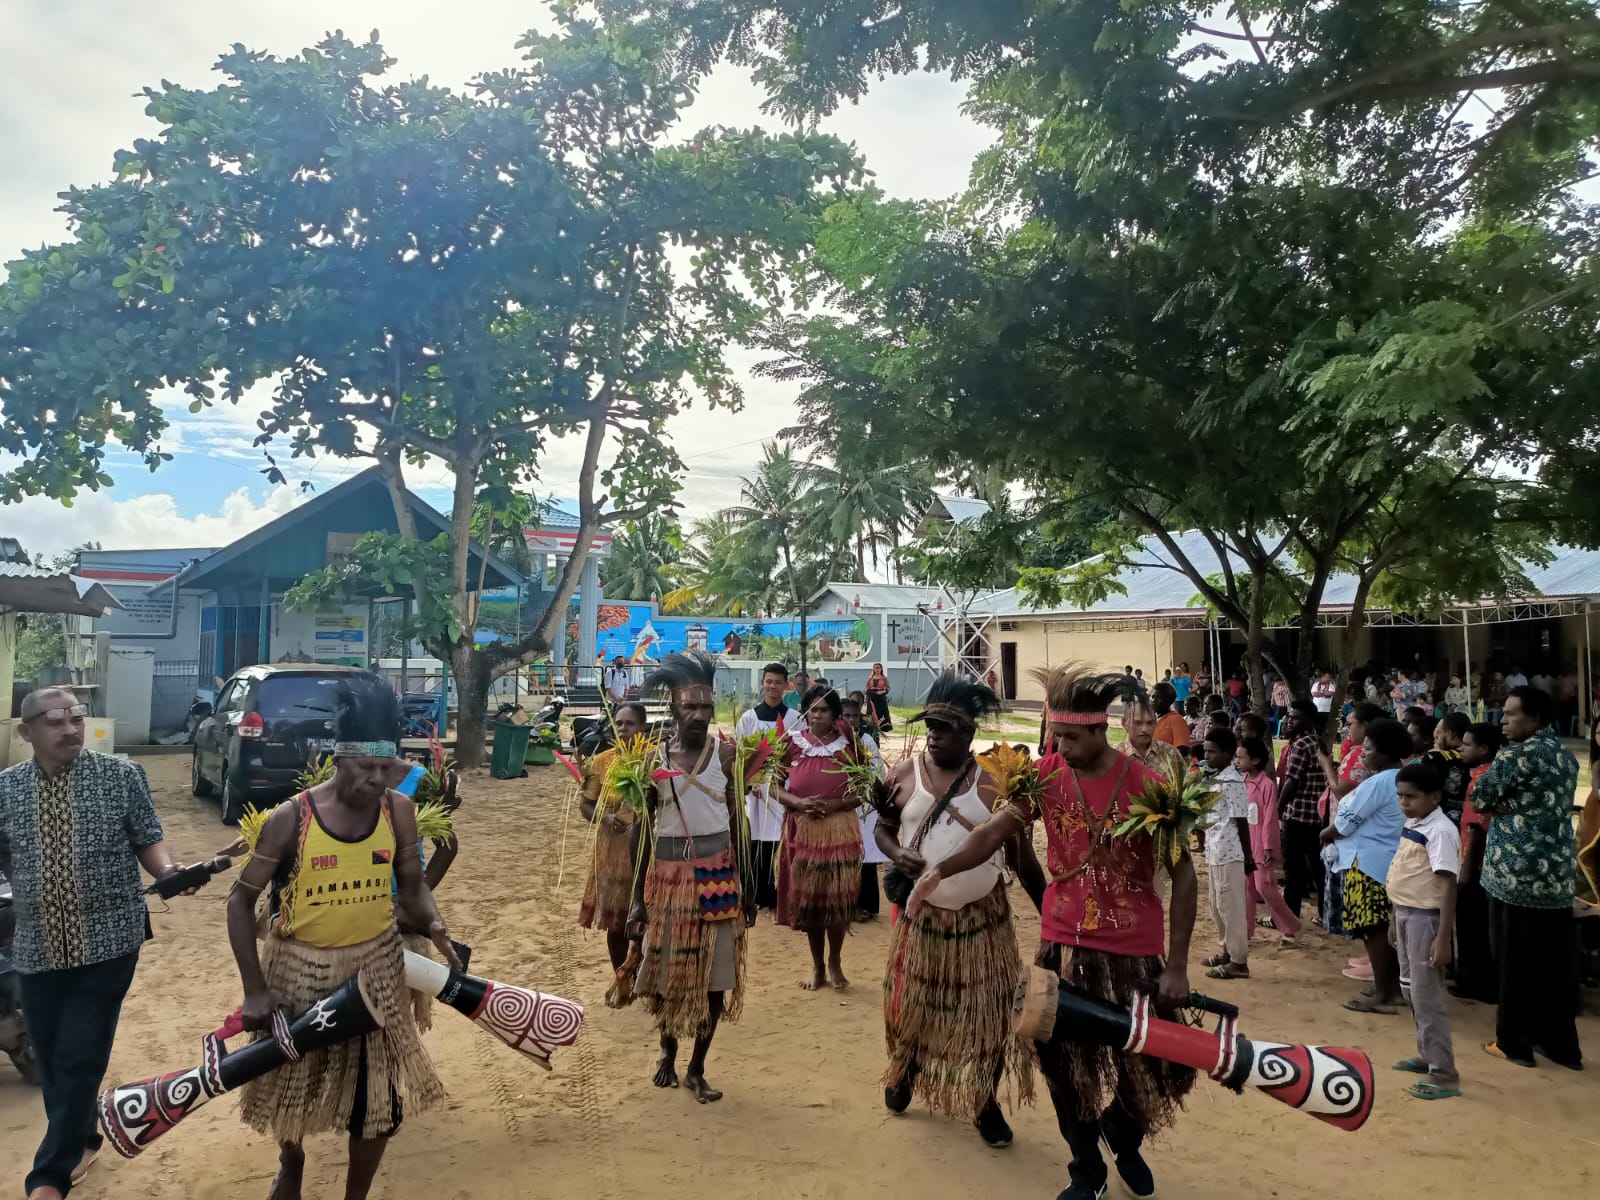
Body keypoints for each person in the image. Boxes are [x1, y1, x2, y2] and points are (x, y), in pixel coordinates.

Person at [913, 663, 1196, 1200]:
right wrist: (939, 871)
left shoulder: (1151, 786)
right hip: (1062, 949)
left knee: (1164, 1069)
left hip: (1134, 953)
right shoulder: (1044, 777)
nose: (1057, 746)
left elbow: (1183, 877)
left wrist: (1177, 965)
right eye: (1053, 735)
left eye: (1068, 737)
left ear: (1099, 729)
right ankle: (1085, 1168)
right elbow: (994, 832)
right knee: (1064, 1071)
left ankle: (1121, 1132)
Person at [227, 673, 459, 1200]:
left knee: (378, 1102)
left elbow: (414, 887)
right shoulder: (292, 818)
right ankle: (292, 1162)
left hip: (375, 970)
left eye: (386, 767)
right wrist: (255, 990)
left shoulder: (398, 812)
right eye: (365, 767)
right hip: (298, 968)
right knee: (292, 1084)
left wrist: (435, 924)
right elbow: (239, 903)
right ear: (338, 759)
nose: (376, 779)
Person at [0, 689, 195, 1200]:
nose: (69, 729)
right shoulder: (6, 790)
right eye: (54, 721)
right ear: (27, 733)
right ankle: (83, 1136)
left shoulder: (120, 776)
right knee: (50, 1052)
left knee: (80, 1056)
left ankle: (49, 1176)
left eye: (76, 719)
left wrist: (170, 872)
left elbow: (148, 837)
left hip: (108, 939)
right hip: (38, 944)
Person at [877, 671, 1034, 1147]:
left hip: (983, 920)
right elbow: (883, 828)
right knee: (913, 1006)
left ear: (969, 733)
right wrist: (895, 852)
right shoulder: (902, 775)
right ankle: (904, 1069)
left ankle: (985, 1102)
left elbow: (1023, 856)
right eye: (930, 726)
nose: (934, 734)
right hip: (922, 921)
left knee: (988, 1014)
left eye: (945, 728)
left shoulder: (994, 781)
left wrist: (1055, 915)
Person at [627, 650, 751, 1102]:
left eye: (706, 707)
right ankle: (667, 1050)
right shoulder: (651, 759)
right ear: (674, 708)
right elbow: (641, 829)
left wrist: (748, 888)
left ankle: (698, 1067)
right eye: (690, 707)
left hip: (718, 876)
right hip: (668, 880)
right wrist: (637, 899)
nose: (699, 715)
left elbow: (738, 822)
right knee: (666, 972)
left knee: (715, 976)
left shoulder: (728, 755)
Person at [1469, 685, 1583, 1070]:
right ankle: (1561, 1046)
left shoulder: (1518, 755)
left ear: (1535, 718)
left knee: (1513, 960)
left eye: (1512, 713)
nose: (1502, 720)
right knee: (1552, 964)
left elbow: (1480, 795)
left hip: (1515, 876)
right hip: (1555, 877)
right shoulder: (1565, 757)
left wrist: (1504, 803)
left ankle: (1513, 1043)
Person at [775, 684, 865, 990]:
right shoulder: (792, 742)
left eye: (823, 710)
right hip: (803, 831)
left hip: (839, 830)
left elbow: (862, 790)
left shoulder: (849, 744)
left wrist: (834, 805)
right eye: (812, 709)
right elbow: (774, 786)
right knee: (811, 901)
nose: (816, 715)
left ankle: (835, 961)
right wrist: (799, 803)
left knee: (837, 901)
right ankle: (816, 967)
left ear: (835, 714)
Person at [1322, 717, 1411, 1014]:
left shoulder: (1378, 782)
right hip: (1385, 861)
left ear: (1385, 751)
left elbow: (1347, 822)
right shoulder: (1401, 776)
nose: (1364, 753)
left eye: (1369, 748)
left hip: (1368, 864)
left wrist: (1325, 834)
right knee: (1383, 930)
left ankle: (1385, 996)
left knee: (1374, 930)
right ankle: (1391, 989)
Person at [1387, 762, 1462, 1100]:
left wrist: (1443, 938)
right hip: (1405, 913)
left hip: (1425, 920)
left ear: (1435, 796)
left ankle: (1444, 1074)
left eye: (1411, 797)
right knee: (1412, 991)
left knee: (1427, 996)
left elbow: (1447, 885)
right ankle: (1427, 1054)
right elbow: (1405, 872)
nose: (1404, 803)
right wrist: (1393, 918)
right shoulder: (1415, 822)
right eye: (1401, 796)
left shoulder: (1441, 831)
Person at [579, 702, 649, 970]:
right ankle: (621, 976)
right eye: (619, 723)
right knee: (617, 923)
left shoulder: (654, 760)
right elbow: (586, 805)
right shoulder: (602, 762)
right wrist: (605, 817)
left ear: (642, 727)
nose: (623, 729)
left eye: (629, 724)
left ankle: (644, 974)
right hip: (612, 853)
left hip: (647, 851)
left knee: (648, 919)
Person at [733, 663, 798, 913]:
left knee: (776, 841)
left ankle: (774, 892)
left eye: (777, 682)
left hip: (781, 789)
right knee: (754, 841)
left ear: (785, 685)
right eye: (768, 681)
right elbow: (740, 754)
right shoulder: (749, 718)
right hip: (754, 792)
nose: (772, 686)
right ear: (763, 683)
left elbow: (796, 754)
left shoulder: (793, 718)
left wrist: (782, 780)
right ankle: (757, 891)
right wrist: (748, 782)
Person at [1451, 722, 1504, 1003]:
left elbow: (1476, 827)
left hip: (1476, 864)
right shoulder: (1493, 774)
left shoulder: (1481, 780)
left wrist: (1466, 871)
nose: (1461, 747)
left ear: (1484, 750)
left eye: (1468, 744)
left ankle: (1475, 983)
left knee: (1473, 927)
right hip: (1488, 864)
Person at [1196, 729, 1254, 980]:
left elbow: (1241, 821)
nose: (1207, 756)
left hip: (1230, 851)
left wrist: (1248, 856)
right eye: (1206, 751)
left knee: (1231, 908)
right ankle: (1227, 951)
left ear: (1228, 754)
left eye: (1212, 751)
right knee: (1217, 905)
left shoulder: (1233, 782)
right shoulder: (1217, 778)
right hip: (1215, 850)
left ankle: (1239, 961)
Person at [1237, 736, 1299, 943]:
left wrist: (1268, 847)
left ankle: (1290, 925)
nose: (1237, 761)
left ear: (1254, 760)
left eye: (1241, 757)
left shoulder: (1267, 785)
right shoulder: (1242, 782)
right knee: (1247, 889)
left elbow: (1270, 818)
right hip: (1246, 845)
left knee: (1265, 887)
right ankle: (1245, 931)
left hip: (1260, 845)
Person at [1277, 701, 1327, 921]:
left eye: (1295, 718)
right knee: (1318, 868)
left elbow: (1292, 781)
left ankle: (1289, 917)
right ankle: (1326, 914)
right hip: (1317, 816)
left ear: (1307, 721)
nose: (1288, 721)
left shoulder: (1300, 745)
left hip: (1298, 816)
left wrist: (1277, 810)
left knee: (1294, 871)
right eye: (1288, 716)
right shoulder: (1317, 741)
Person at [841, 692, 887, 921]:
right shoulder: (835, 743)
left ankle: (867, 905)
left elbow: (878, 770)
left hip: (864, 805)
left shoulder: (867, 741)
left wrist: (867, 787)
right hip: (841, 805)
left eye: (854, 717)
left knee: (865, 853)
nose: (851, 721)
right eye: (846, 716)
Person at [1121, 695, 1187, 785]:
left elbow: (1185, 789)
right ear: (1124, 723)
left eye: (1150, 723)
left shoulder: (1171, 753)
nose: (1144, 729)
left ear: (1156, 723)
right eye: (1137, 723)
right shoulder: (1113, 758)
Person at [1148, 682, 1191, 752]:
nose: (1153, 701)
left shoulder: (1176, 720)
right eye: (1152, 697)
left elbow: (1183, 749)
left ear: (1169, 701)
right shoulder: (1150, 720)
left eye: (1158, 698)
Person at [866, 662, 893, 732]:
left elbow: (888, 688)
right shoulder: (870, 678)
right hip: (872, 697)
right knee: (871, 712)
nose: (877, 669)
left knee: (882, 713)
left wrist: (882, 692)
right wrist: (866, 697)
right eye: (876, 668)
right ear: (874, 669)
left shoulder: (884, 678)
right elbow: (867, 688)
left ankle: (883, 727)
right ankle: (871, 727)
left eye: (878, 668)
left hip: (880, 697)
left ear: (881, 669)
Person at [1311, 669, 1338, 733]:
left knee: (1325, 726)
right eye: (1327, 677)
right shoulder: (1316, 684)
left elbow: (1331, 693)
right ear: (1322, 677)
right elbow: (1314, 694)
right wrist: (1324, 693)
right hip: (1317, 710)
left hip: (1327, 710)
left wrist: (1321, 693)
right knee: (1316, 725)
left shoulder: (1331, 685)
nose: (1328, 678)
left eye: (1329, 677)